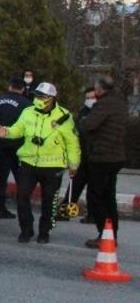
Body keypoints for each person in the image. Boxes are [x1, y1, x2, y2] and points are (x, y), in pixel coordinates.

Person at [0, 82, 80, 244]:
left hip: (53, 166)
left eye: (42, 97)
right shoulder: (28, 112)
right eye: (36, 96)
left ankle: (44, 231)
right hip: (29, 162)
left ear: (52, 98)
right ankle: (26, 230)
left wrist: (73, 164)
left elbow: (72, 142)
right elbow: (18, 129)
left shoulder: (64, 116)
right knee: (22, 197)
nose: (38, 99)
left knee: (49, 200)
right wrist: (7, 132)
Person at [79, 75, 128, 247]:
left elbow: (88, 125)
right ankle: (112, 234)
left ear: (100, 89)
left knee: (95, 197)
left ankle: (104, 233)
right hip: (116, 156)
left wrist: (83, 120)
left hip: (102, 157)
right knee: (109, 197)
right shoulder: (120, 103)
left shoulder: (103, 104)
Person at [0, 76, 28, 218]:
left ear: (9, 86)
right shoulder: (26, 104)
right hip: (18, 146)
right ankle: (22, 209)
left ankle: (0, 208)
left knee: (2, 177)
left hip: (0, 144)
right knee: (22, 179)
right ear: (23, 89)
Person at [66, 86, 99, 221]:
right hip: (82, 154)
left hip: (96, 156)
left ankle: (92, 215)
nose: (90, 100)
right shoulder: (83, 112)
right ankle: (66, 211)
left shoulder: (101, 112)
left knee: (93, 189)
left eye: (92, 97)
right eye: (87, 98)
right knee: (74, 186)